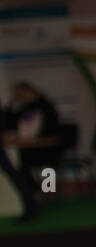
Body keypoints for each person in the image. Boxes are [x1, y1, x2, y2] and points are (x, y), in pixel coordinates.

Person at [0, 81, 58, 221]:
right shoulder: (23, 108)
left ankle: (42, 195)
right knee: (18, 170)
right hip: (27, 148)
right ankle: (35, 198)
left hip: (43, 149)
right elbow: (9, 120)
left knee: (21, 169)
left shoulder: (44, 107)